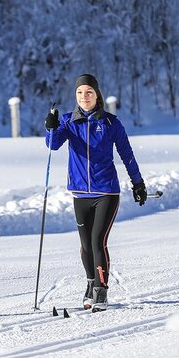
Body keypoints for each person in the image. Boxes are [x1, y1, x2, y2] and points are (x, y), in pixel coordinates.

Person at [45, 73, 147, 312]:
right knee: (85, 246)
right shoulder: (69, 121)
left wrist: (138, 183)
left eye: (89, 92)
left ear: (97, 94)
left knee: (97, 241)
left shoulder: (111, 123)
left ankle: (101, 291)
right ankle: (91, 284)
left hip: (106, 193)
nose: (84, 97)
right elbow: (53, 144)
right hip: (80, 193)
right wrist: (50, 127)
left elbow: (127, 154)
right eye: (80, 93)